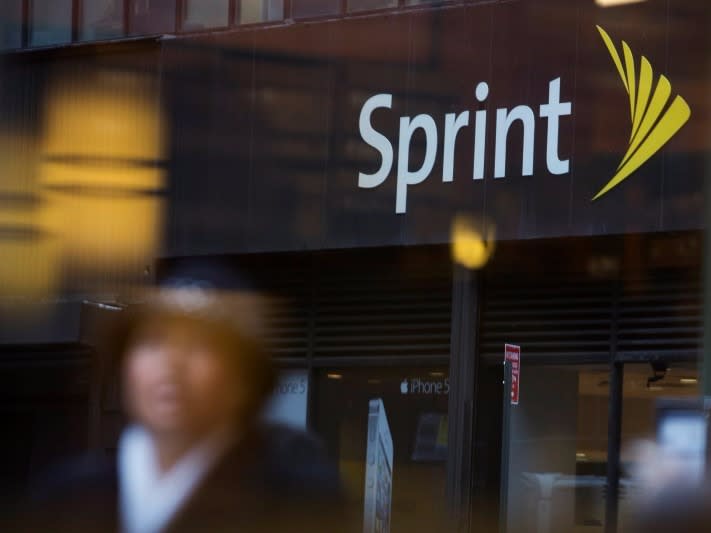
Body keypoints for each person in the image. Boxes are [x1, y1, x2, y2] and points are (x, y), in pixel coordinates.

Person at [16, 261, 345, 533]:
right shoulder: (65, 496)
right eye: (153, 341)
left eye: (200, 345)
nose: (170, 364)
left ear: (245, 377)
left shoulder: (295, 500)